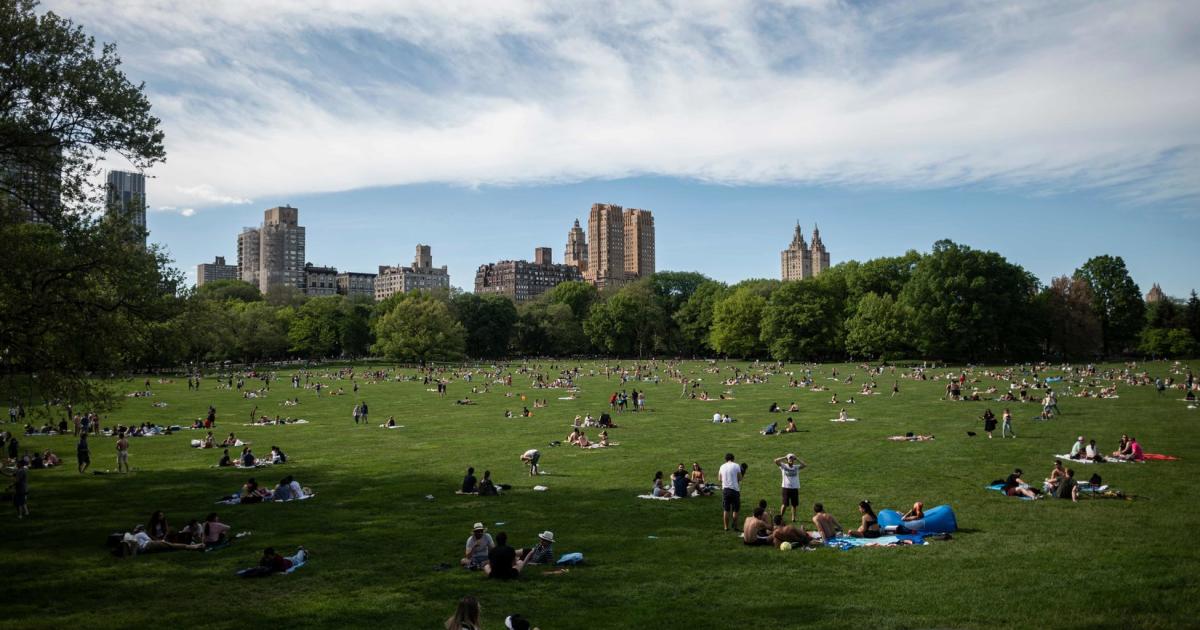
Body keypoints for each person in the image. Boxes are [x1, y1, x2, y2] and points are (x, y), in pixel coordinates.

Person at [774, 453, 806, 522]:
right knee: (784, 504)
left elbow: (804, 465)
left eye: (792, 458)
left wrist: (797, 458)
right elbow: (776, 461)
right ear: (787, 460)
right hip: (786, 488)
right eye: (789, 458)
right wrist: (784, 457)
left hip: (794, 488)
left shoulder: (796, 467)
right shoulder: (783, 466)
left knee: (794, 505)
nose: (791, 460)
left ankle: (793, 518)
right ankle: (781, 516)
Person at [719, 453, 743, 531]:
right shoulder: (736, 465)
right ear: (733, 458)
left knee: (726, 509)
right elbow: (740, 478)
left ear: (725, 459)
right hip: (735, 490)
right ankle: (735, 527)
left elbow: (719, 478)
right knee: (735, 509)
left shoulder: (722, 466)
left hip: (725, 490)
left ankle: (726, 527)